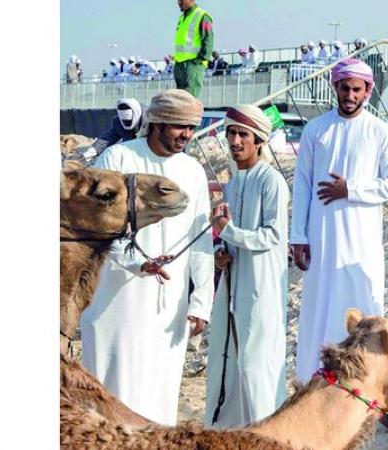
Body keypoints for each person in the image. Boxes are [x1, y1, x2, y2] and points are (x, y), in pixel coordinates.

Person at [81, 89, 214, 425]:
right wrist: (137, 263)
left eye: (190, 128)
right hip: (117, 298)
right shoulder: (117, 159)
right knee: (113, 390)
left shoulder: (193, 171)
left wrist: (201, 303)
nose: (186, 134)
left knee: (160, 392)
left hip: (170, 301)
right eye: (179, 127)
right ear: (156, 123)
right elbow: (96, 227)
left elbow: (201, 242)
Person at [290, 57, 388, 383]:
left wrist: (349, 189)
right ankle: (313, 380)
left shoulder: (379, 131)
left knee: (360, 305)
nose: (350, 95)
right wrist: (298, 235)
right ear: (335, 88)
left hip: (360, 243)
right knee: (319, 305)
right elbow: (302, 185)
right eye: (344, 88)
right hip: (321, 238)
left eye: (356, 89)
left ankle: (360, 380)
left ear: (368, 91)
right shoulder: (316, 129)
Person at [204, 105, 291, 428]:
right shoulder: (234, 182)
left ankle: (266, 434)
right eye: (231, 134)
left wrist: (228, 231)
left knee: (257, 366)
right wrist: (220, 251)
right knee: (228, 362)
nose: (236, 141)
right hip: (232, 287)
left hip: (260, 288)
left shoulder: (272, 182)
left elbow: (272, 236)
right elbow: (229, 233)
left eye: (243, 135)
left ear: (258, 141)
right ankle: (229, 433)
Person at [173, 0, 214, 98]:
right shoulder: (182, 17)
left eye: (181, 0)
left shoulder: (202, 16)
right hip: (180, 64)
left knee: (190, 98)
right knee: (180, 99)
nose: (178, 2)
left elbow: (208, 40)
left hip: (193, 64)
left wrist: (199, 59)